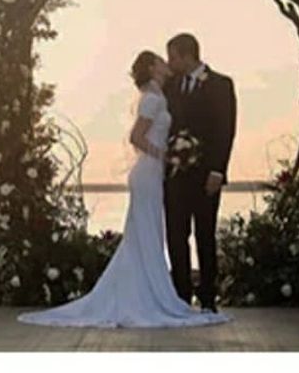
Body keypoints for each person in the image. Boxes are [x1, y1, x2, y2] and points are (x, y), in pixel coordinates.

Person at [17, 51, 229, 328]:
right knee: (145, 234)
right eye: (162, 61)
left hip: (154, 175)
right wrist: (165, 155)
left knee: (147, 235)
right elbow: (135, 137)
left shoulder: (161, 93)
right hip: (149, 172)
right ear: (153, 68)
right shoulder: (153, 99)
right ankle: (143, 296)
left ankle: (150, 293)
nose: (168, 63)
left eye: (170, 58)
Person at [164, 33, 236, 313]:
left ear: (186, 55)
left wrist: (218, 169)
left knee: (205, 234)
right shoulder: (170, 85)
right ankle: (180, 296)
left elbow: (225, 129)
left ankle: (208, 297)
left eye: (172, 57)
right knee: (175, 233)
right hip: (175, 175)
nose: (170, 62)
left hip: (207, 175)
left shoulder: (220, 84)